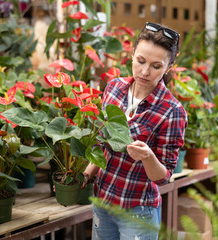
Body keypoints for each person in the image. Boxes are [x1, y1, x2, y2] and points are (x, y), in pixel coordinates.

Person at [83, 22, 187, 240]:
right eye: (140, 61)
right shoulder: (113, 89)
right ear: (132, 54)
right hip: (102, 201)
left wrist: (148, 157)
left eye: (156, 66)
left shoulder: (172, 111)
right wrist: (84, 175)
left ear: (169, 67)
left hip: (138, 212)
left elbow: (164, 178)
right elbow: (102, 143)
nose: (144, 71)